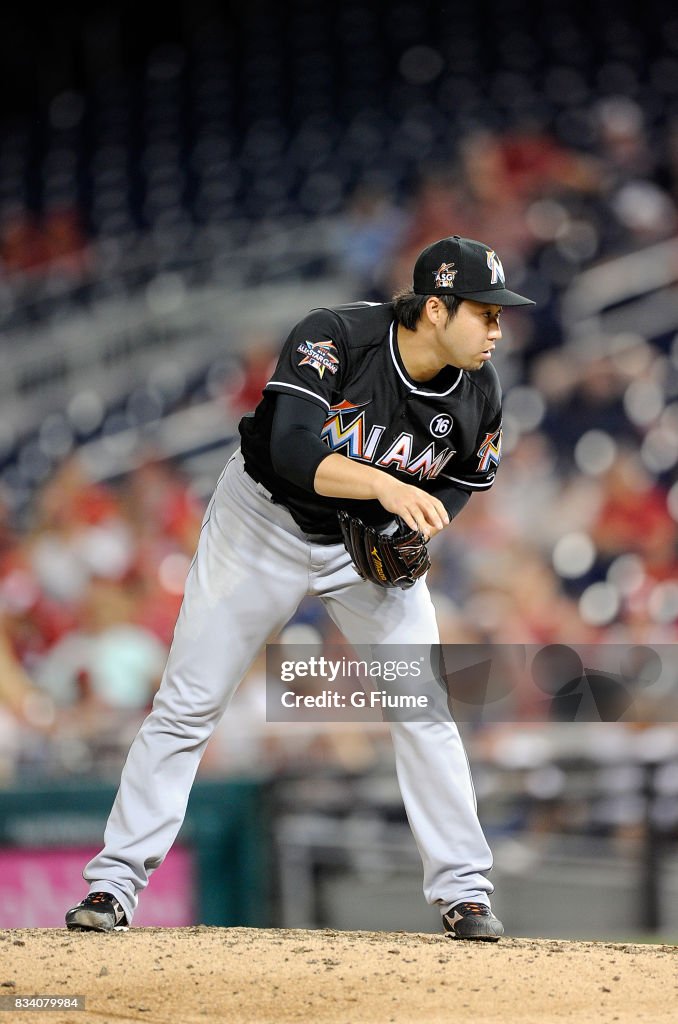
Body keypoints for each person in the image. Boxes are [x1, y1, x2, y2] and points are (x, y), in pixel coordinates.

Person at [66, 236, 535, 941]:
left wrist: (411, 535)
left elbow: (460, 484)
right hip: (261, 525)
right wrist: (385, 485)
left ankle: (463, 893)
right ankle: (114, 886)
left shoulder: (481, 390)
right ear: (435, 309)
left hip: (361, 546)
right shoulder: (336, 336)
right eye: (485, 313)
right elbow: (291, 448)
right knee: (189, 703)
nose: (499, 328)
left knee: (424, 707)